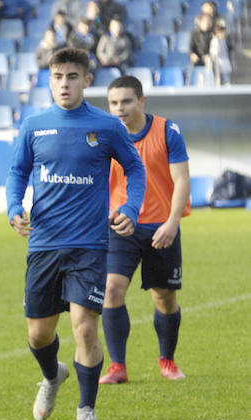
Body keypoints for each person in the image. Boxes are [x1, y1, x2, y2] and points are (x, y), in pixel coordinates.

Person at [6, 47, 146, 420]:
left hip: (89, 245)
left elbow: (135, 168)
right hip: (44, 244)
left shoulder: (107, 126)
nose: (64, 84)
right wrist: (14, 206)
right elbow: (16, 172)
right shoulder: (34, 126)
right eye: (57, 77)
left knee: (85, 327)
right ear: (48, 80)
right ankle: (53, 376)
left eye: (71, 77)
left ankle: (87, 410)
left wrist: (131, 210)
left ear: (86, 80)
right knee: (38, 334)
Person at [100, 75, 190, 384]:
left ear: (142, 101)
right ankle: (117, 366)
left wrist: (172, 223)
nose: (119, 108)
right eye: (113, 103)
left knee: (164, 297)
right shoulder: (104, 136)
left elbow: (181, 180)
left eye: (125, 101)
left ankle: (167, 359)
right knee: (111, 289)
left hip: (161, 227)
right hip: (121, 227)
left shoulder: (167, 131)